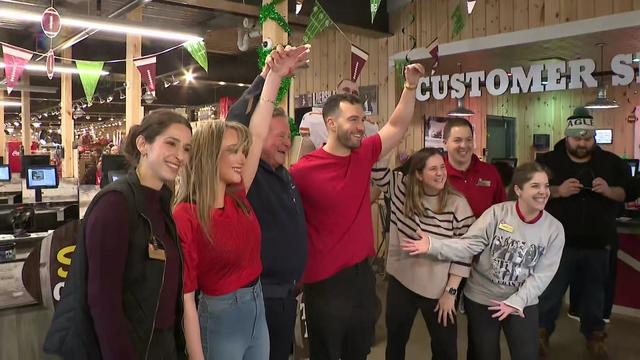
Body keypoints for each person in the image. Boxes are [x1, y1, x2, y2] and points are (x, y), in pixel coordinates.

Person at [173, 45, 308, 360]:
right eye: (231, 151)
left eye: (241, 150)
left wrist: (274, 76)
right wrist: (196, 356)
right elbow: (187, 299)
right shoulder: (187, 214)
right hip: (219, 317)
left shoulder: (238, 196)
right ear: (209, 156)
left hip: (256, 305)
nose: (241, 157)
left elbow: (257, 134)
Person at [289, 63, 425, 360]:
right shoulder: (302, 171)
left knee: (359, 352)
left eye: (362, 119)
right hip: (323, 284)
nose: (361, 126)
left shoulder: (363, 154)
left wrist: (410, 86)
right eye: (353, 120)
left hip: (362, 279)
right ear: (331, 124)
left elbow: (397, 126)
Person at [43, 109, 193, 359]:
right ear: (143, 144)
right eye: (171, 143)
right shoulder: (115, 205)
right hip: (127, 348)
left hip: (161, 344)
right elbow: (103, 301)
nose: (180, 156)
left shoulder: (162, 203)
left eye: (186, 148)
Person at [401, 162, 565, 360]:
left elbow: (542, 275)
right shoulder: (497, 214)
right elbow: (468, 245)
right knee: (484, 355)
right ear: (518, 190)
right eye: (535, 186)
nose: (543, 192)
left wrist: (516, 302)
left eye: (546, 186)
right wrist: (433, 245)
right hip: (482, 298)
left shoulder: (554, 229)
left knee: (527, 355)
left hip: (522, 302)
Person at [536, 107, 632, 359]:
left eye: (587, 138)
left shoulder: (611, 163)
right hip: (557, 245)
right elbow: (527, 191)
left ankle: (595, 338)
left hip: (598, 243)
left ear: (594, 138)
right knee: (550, 294)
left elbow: (626, 191)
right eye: (576, 138)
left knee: (595, 297)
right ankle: (540, 336)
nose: (581, 143)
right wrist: (556, 191)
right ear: (566, 136)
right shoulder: (548, 162)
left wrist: (610, 191)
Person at [371, 148, 475, 359]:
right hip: (401, 284)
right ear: (418, 174)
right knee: (396, 343)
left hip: (439, 291)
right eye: (433, 169)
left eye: (442, 167)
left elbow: (465, 253)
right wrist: (391, 137)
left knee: (445, 350)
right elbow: (377, 169)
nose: (441, 173)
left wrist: (451, 293)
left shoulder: (458, 204)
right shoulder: (401, 187)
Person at [443, 118, 506, 218]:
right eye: (457, 140)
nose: (464, 145)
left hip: (485, 234)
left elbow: (503, 213)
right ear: (445, 143)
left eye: (469, 140)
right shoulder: (438, 174)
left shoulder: (490, 172)